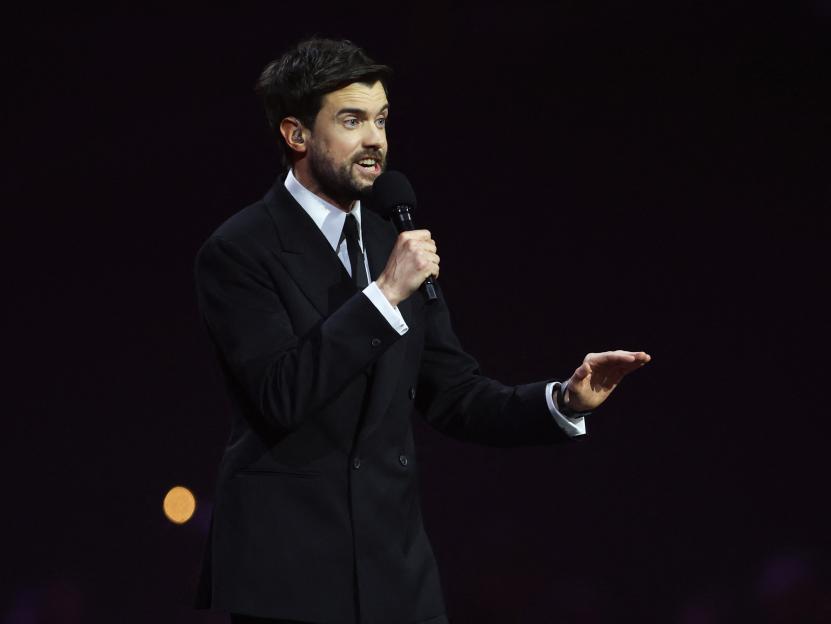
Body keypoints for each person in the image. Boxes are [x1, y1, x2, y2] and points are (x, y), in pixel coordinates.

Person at [194, 37, 651, 624]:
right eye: (352, 120)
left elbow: (453, 393)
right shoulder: (240, 250)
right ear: (296, 134)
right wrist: (384, 294)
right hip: (290, 576)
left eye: (381, 119)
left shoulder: (392, 241)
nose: (375, 140)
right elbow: (280, 395)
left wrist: (561, 400)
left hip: (397, 574)